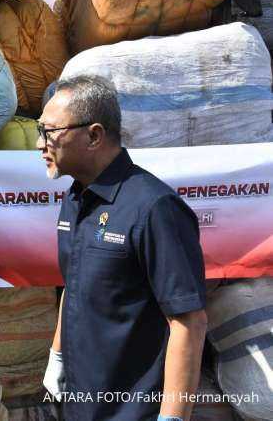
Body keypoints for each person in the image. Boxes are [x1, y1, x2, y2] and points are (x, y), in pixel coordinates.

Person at [38, 75, 208, 421]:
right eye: (39, 130)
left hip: (131, 411)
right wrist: (56, 356)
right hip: (80, 404)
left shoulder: (154, 208)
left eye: (50, 132)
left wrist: (173, 416)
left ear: (94, 135)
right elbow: (74, 284)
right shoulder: (75, 198)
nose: (40, 144)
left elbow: (188, 321)